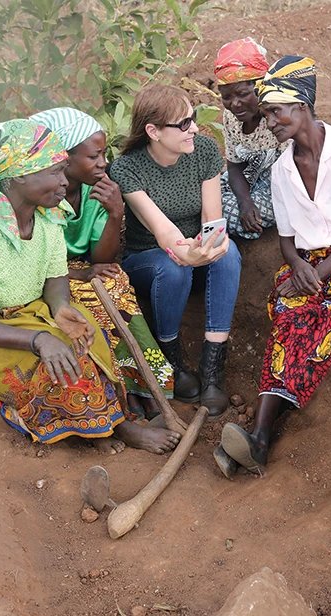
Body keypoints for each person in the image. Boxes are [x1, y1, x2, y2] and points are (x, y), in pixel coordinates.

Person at [0, 118, 181, 454]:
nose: (64, 181)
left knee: (88, 341)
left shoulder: (48, 216)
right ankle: (107, 430)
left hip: (24, 313)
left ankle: (109, 421)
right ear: (20, 175)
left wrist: (60, 310)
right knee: (50, 367)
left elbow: (56, 278)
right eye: (55, 172)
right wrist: (39, 339)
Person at [215, 56, 331, 477]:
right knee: (290, 316)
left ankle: (259, 434)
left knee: (316, 322)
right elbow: (289, 240)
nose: (270, 121)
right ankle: (258, 439)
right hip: (306, 265)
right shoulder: (281, 170)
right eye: (268, 112)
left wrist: (321, 271)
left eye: (276, 111)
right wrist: (296, 266)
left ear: (302, 106)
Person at [29, 107, 175, 420]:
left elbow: (102, 259)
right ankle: (119, 392)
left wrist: (115, 213)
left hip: (80, 266)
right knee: (89, 304)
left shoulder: (95, 188)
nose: (103, 163)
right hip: (45, 276)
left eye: (103, 154)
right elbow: (31, 261)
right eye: (93, 157)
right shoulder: (38, 193)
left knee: (115, 284)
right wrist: (79, 273)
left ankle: (146, 387)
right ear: (63, 157)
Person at [109, 84, 242, 418]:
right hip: (150, 260)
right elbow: (162, 230)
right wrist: (188, 254)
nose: (194, 128)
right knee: (173, 267)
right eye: (183, 124)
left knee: (230, 254)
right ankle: (172, 361)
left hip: (193, 250)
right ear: (153, 131)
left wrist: (213, 244)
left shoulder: (205, 151)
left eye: (193, 118)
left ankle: (213, 370)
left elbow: (213, 218)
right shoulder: (127, 168)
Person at [214, 38, 289, 240]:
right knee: (204, 201)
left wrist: (249, 205)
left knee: (230, 218)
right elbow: (234, 165)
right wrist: (245, 202)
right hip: (249, 177)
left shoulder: (281, 116)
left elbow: (294, 175)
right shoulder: (231, 117)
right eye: (226, 97)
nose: (235, 104)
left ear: (261, 87)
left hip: (283, 185)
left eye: (242, 94)